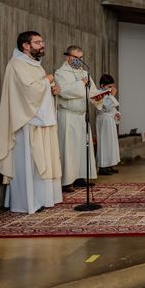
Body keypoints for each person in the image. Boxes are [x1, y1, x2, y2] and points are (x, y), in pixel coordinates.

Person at [0, 31, 62, 214]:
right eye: (38, 42)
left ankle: (41, 199)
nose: (42, 45)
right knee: (29, 163)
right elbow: (29, 92)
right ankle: (28, 202)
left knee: (43, 161)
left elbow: (39, 89)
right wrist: (47, 80)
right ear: (25, 45)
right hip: (26, 122)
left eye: (42, 41)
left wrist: (51, 90)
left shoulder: (34, 65)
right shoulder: (17, 64)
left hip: (40, 121)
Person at [55, 46, 103, 191]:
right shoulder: (60, 73)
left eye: (81, 58)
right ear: (67, 57)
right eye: (76, 58)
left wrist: (99, 96)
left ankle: (81, 177)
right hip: (68, 115)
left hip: (82, 116)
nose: (79, 61)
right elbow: (64, 91)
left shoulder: (85, 73)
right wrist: (81, 84)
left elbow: (92, 91)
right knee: (68, 149)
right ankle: (67, 181)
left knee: (83, 148)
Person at [96, 74, 121, 175]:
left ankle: (110, 164)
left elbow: (112, 108)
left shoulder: (108, 94)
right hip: (104, 120)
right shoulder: (98, 94)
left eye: (112, 87)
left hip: (110, 120)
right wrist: (112, 95)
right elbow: (106, 107)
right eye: (109, 87)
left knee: (111, 144)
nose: (111, 89)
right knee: (104, 143)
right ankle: (102, 167)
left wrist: (117, 113)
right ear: (102, 85)